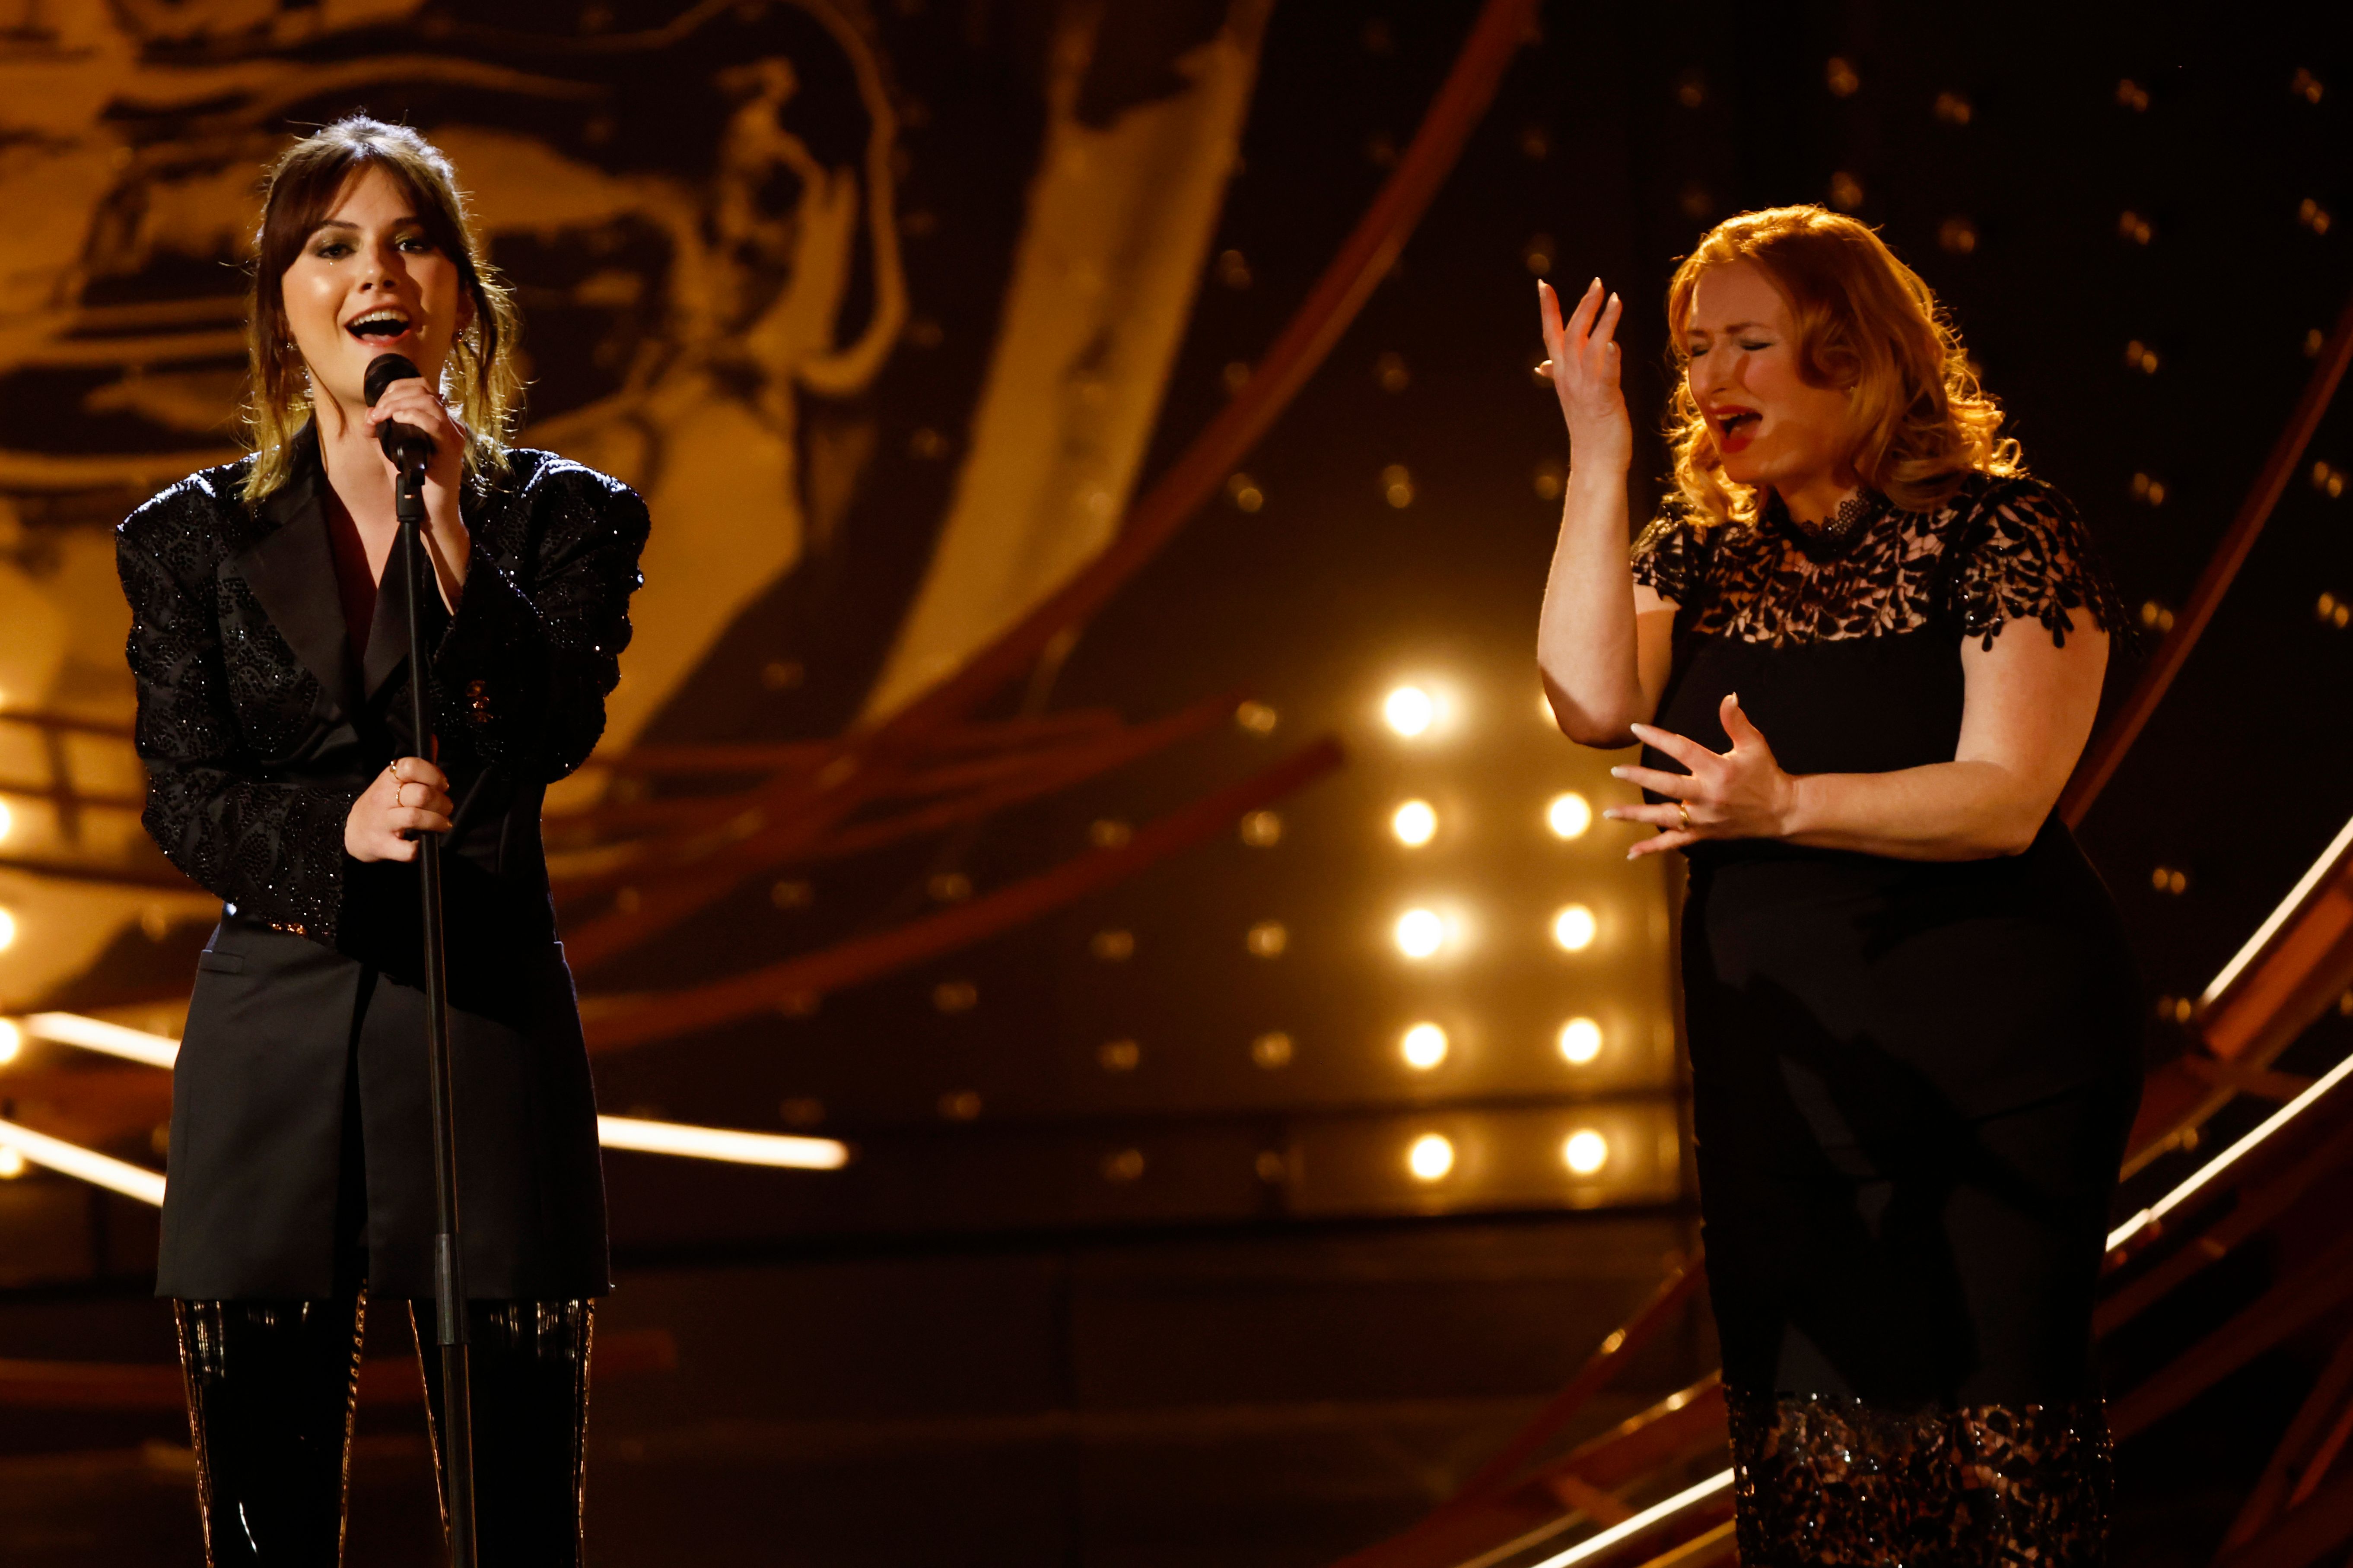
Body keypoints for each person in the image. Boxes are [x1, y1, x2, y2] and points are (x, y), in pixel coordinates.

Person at [1535, 206, 2140, 1565]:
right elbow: (1586, 701)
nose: (1711, 381)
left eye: (1750, 343)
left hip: (2001, 1057)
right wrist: (1598, 446)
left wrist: (1787, 804)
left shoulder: (2004, 531)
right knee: (1820, 1464)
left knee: (2003, 1453)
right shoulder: (1698, 557)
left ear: (1855, 354)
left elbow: (2006, 800)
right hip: (1785, 1070)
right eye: (1696, 354)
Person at [118, 116, 649, 1565]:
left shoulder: (567, 520)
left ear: (461, 299)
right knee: (266, 1515)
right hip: (269, 1040)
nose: (379, 272)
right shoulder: (189, 540)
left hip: (482, 1027)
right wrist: (336, 828)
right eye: (334, 244)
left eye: (414, 241)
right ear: (285, 303)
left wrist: (452, 526)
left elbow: (548, 730)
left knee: (515, 1509)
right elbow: (184, 795)